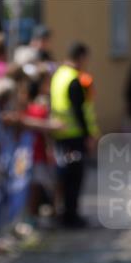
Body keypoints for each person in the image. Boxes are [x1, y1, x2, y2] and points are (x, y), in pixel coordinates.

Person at [50, 42, 99, 228]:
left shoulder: (58, 75)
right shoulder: (73, 79)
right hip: (74, 135)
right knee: (74, 178)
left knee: (64, 176)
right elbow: (79, 110)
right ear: (80, 57)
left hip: (61, 134)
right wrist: (88, 135)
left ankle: (64, 213)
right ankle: (71, 216)